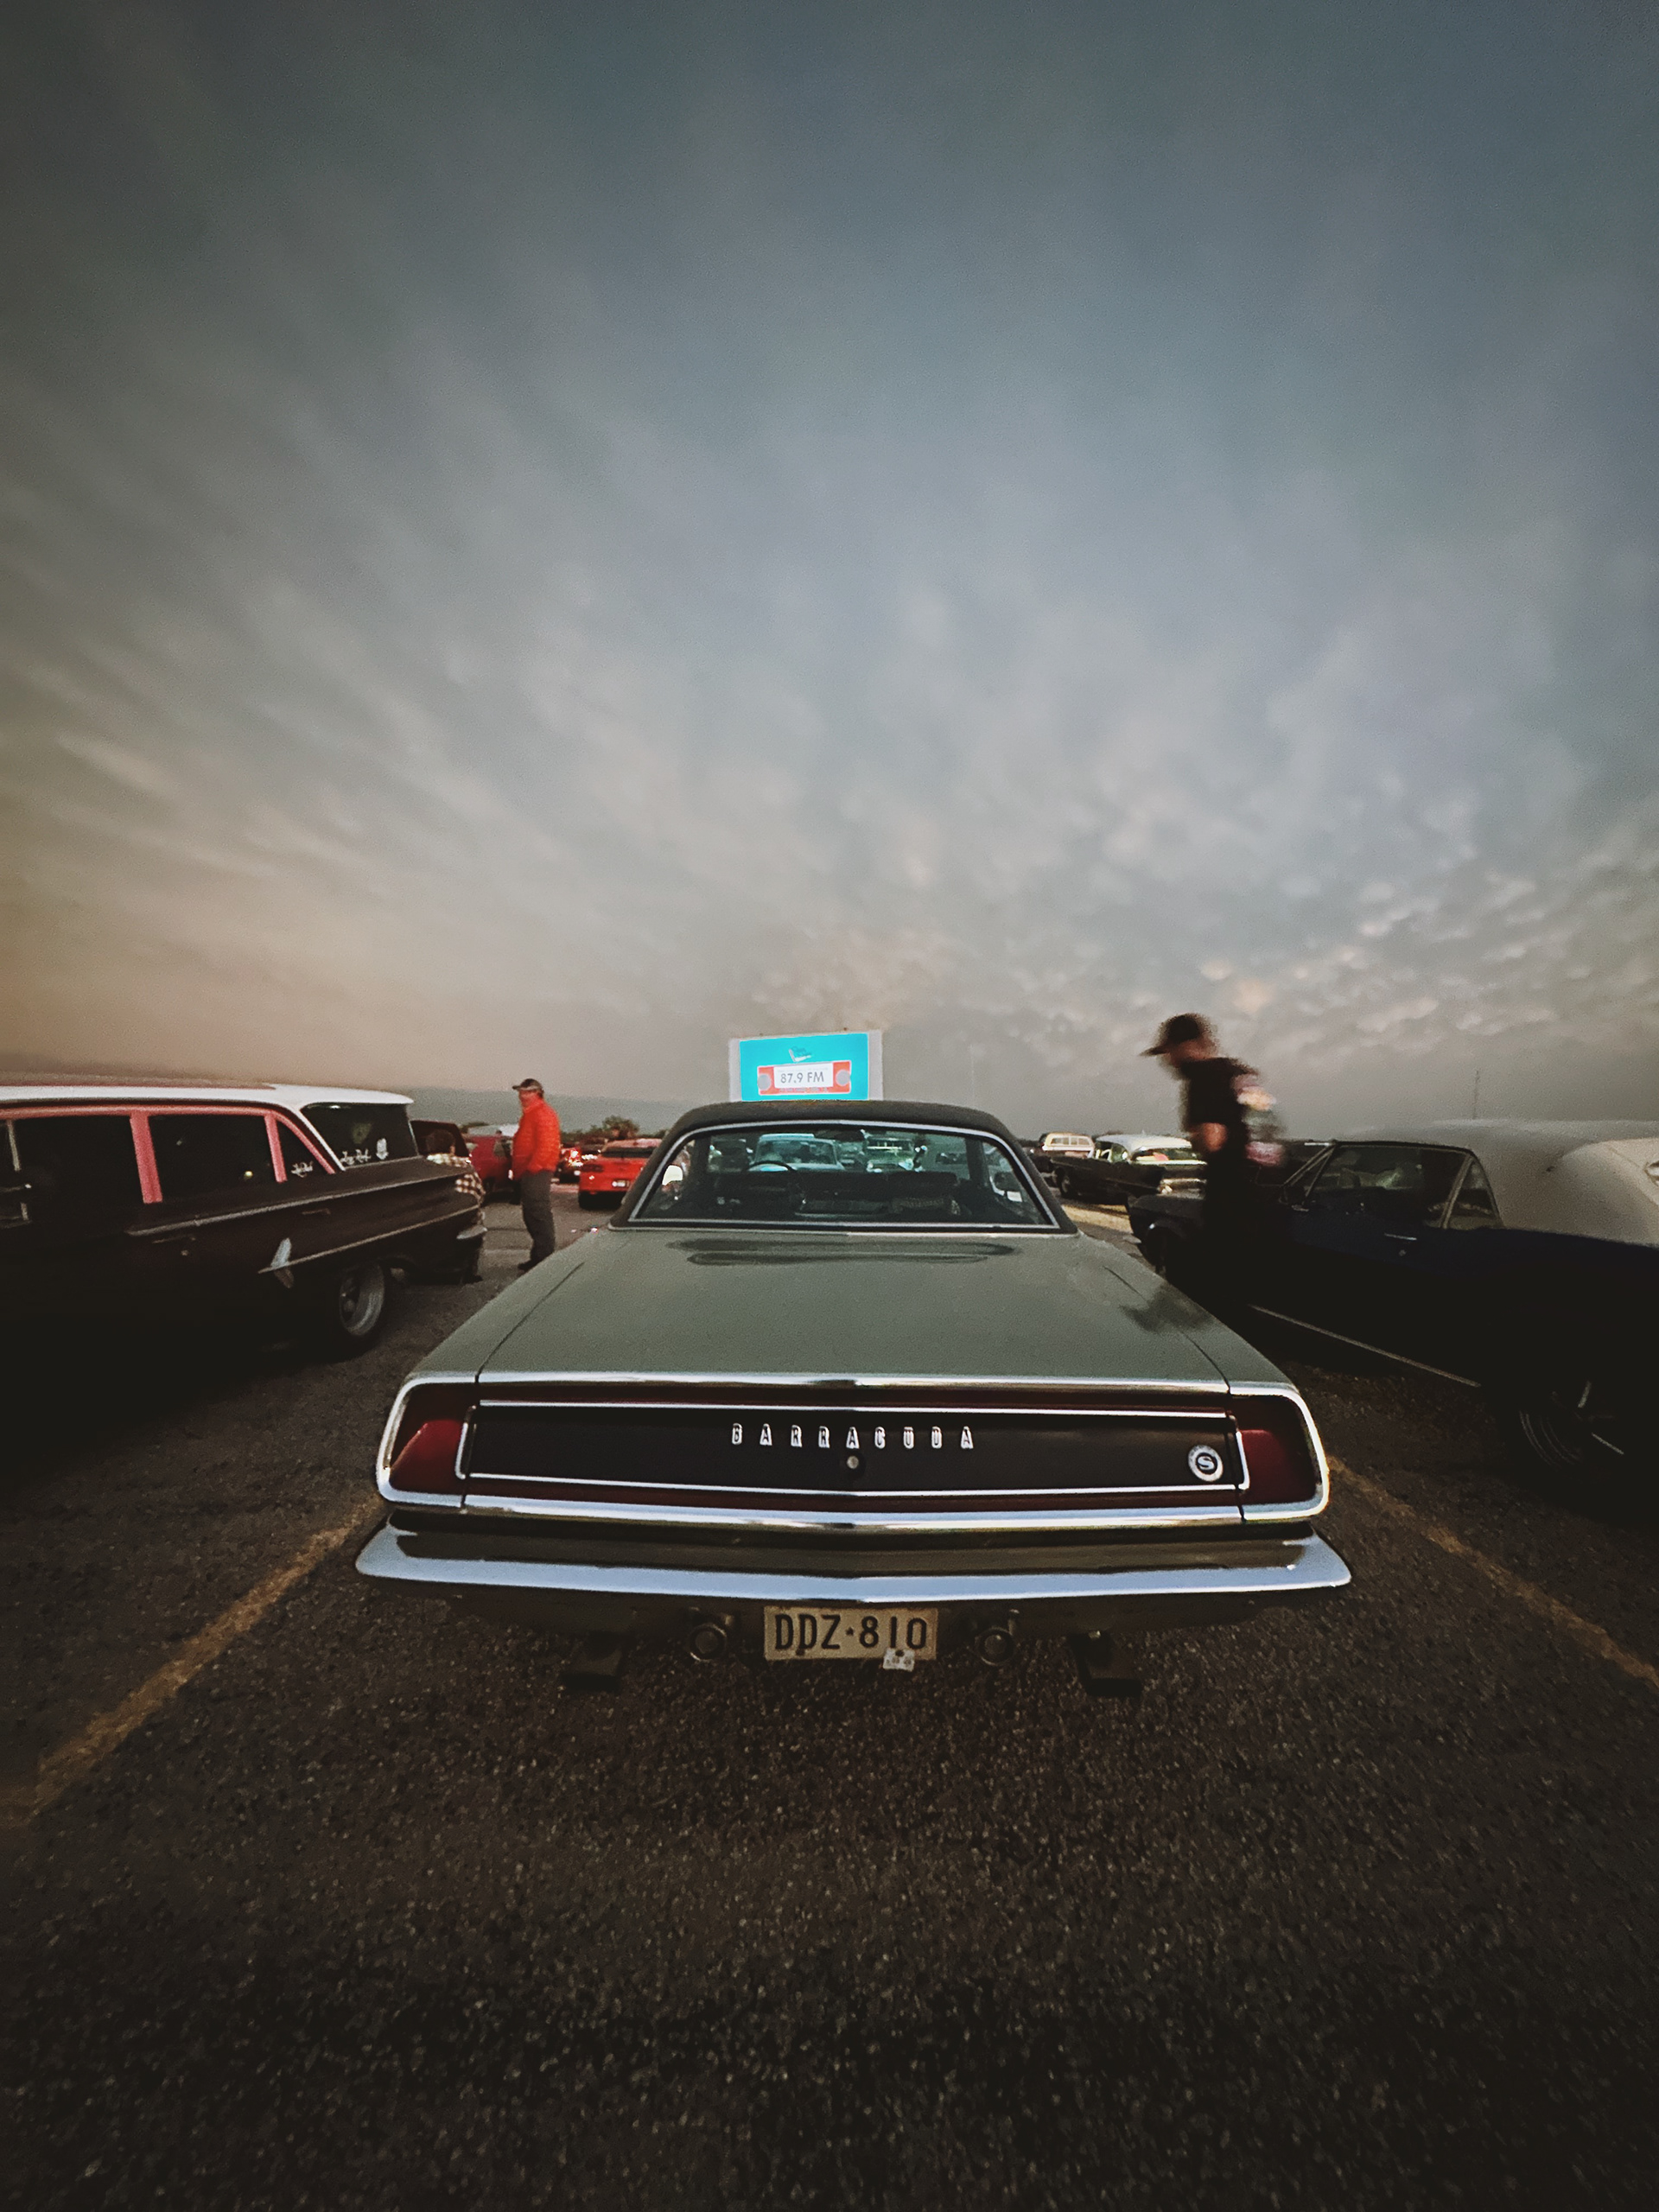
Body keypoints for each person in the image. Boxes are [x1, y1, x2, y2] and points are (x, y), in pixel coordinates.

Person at [1142, 1013, 1271, 1311]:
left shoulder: (1203, 1077)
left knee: (1208, 1300)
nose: (1167, 1062)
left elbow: (1213, 1140)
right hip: (1269, 1199)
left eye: (1168, 1052)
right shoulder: (1241, 1074)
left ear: (1185, 1046)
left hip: (1232, 1203)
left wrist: (1195, 1138)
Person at [510, 1078, 563, 1271]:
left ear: (537, 1093)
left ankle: (543, 1259)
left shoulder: (543, 1114)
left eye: (527, 1092)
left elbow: (547, 1145)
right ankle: (540, 1256)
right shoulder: (532, 1114)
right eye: (521, 1092)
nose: (522, 1096)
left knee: (538, 1214)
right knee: (532, 1214)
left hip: (537, 1171)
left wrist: (533, 1168)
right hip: (530, 1171)